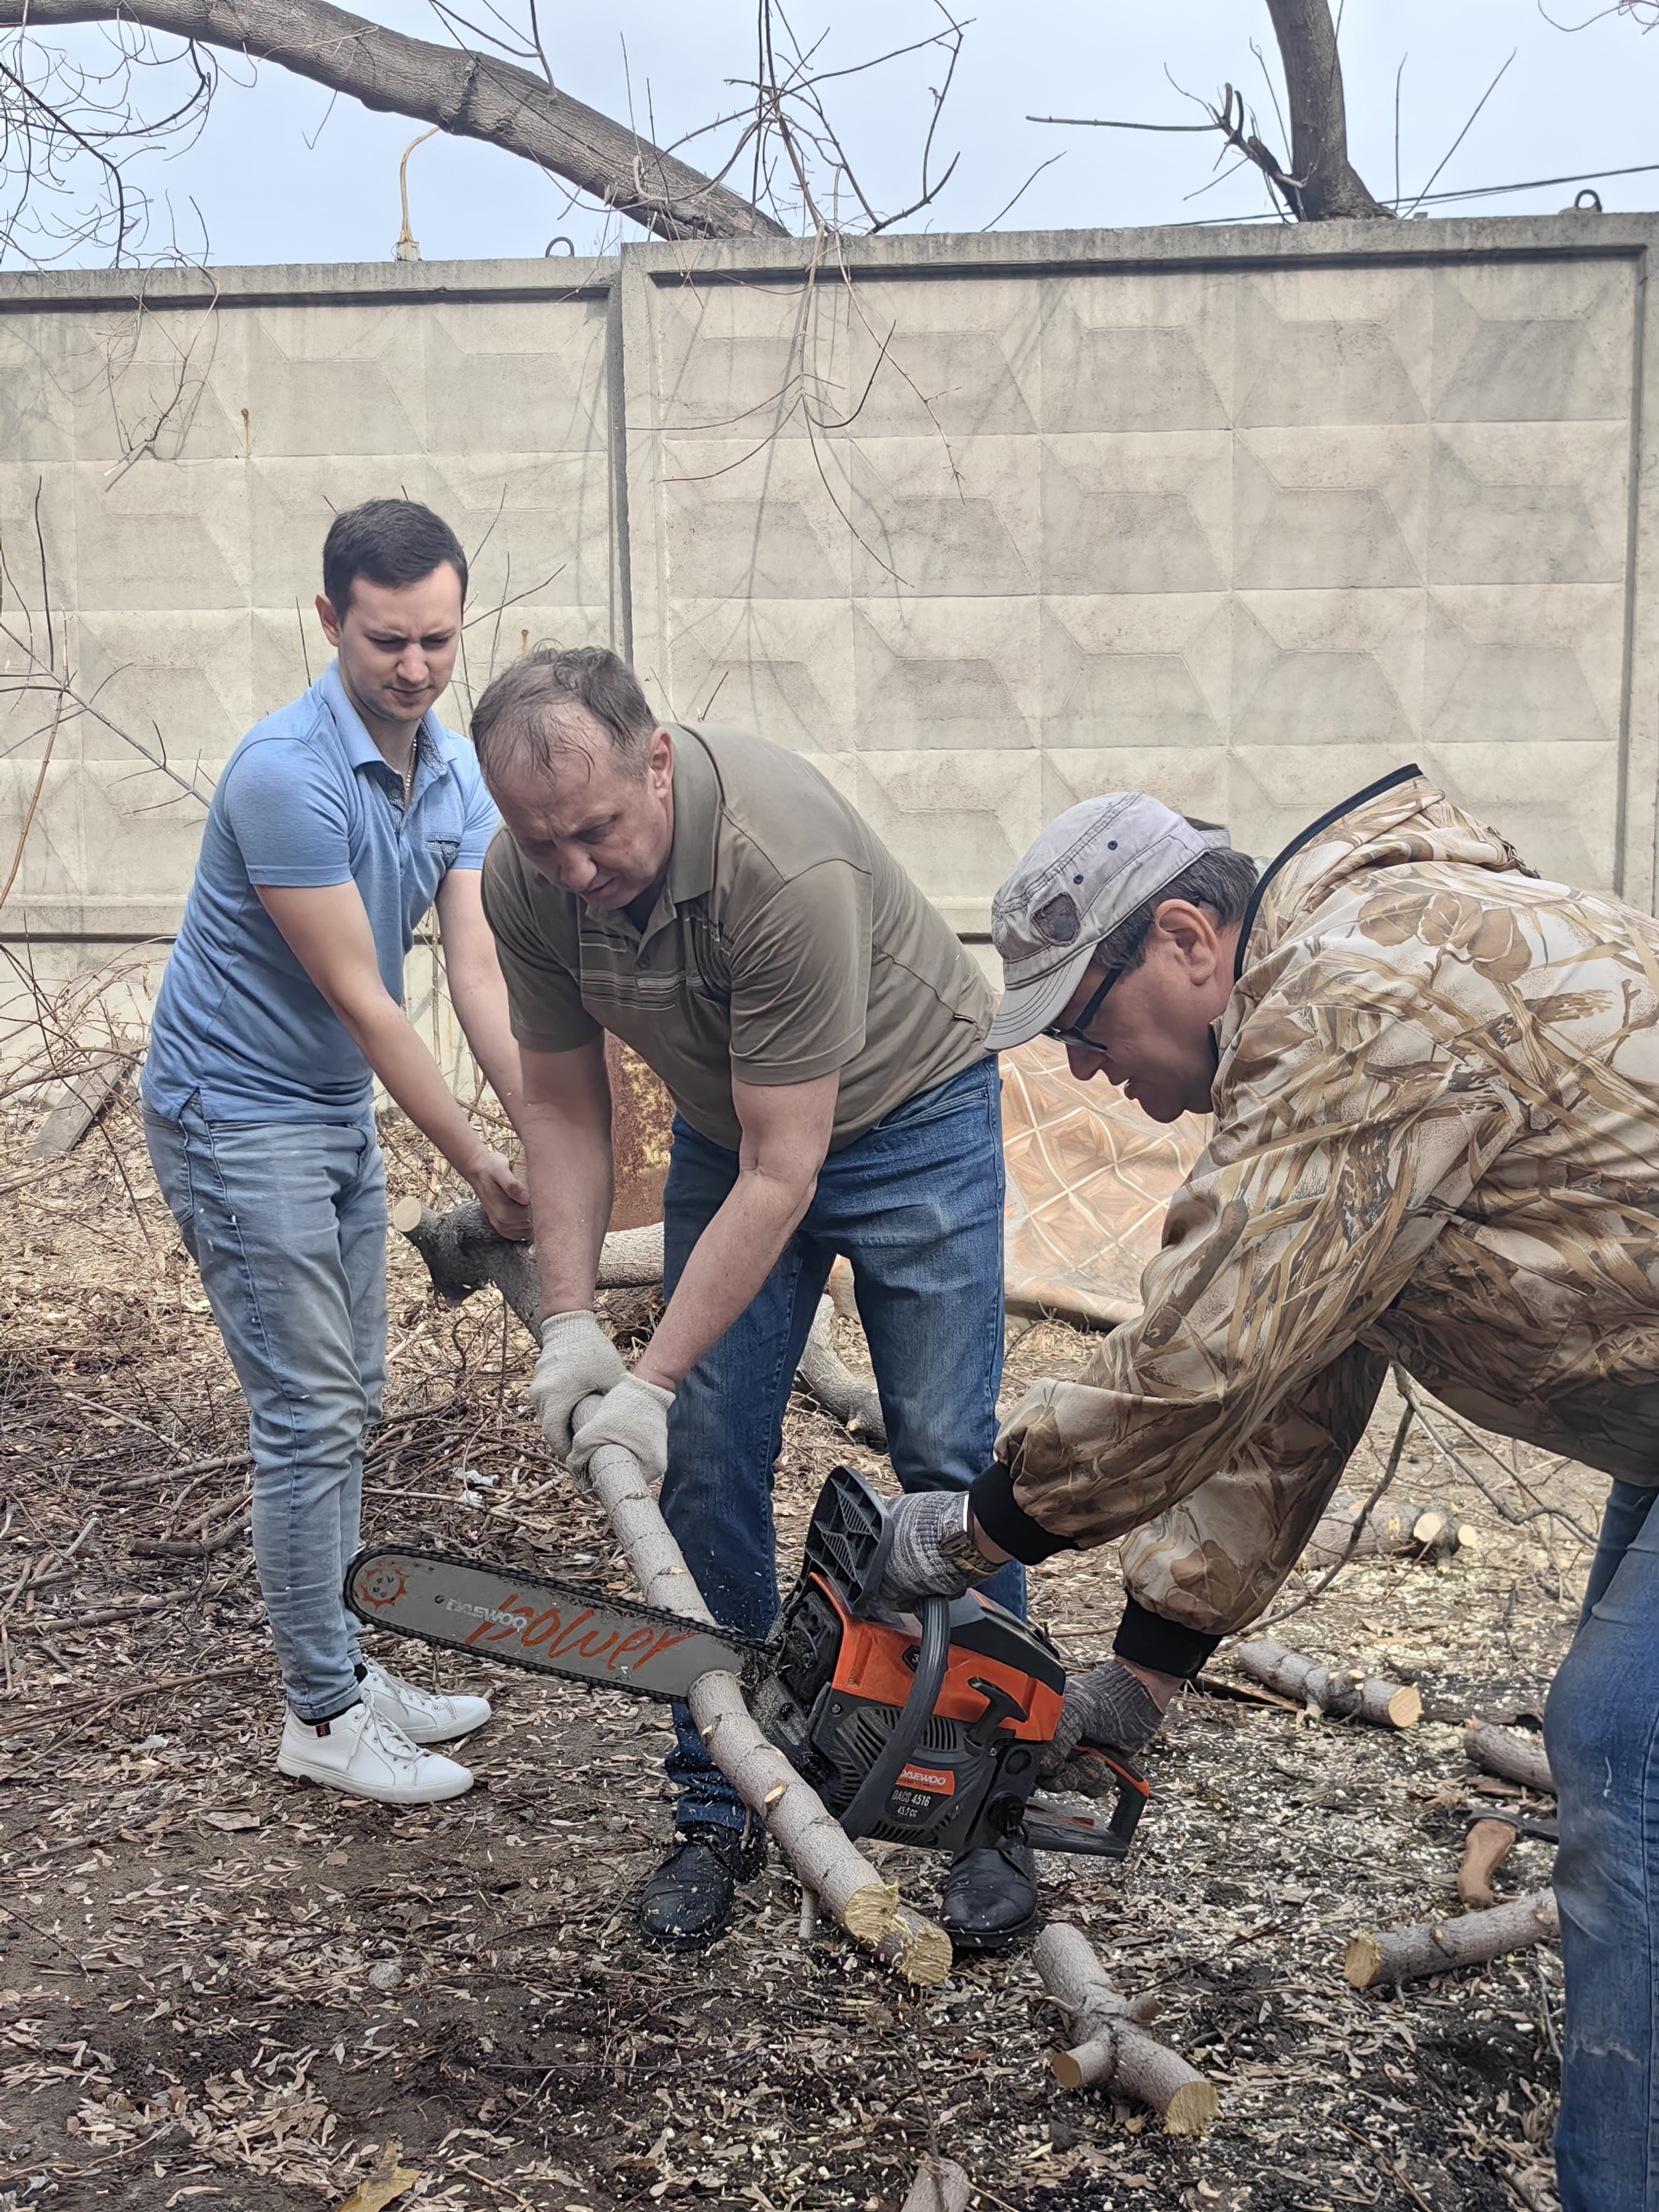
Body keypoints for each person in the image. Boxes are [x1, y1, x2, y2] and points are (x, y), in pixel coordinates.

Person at [876, 767, 1659, 2212]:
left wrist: (978, 1527)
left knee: (1625, 1748)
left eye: (1091, 1029)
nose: (1092, 1075)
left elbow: (1195, 1361)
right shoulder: (1356, 985)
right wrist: (1146, 1672)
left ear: (1188, 937)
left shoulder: (1354, 998)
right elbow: (1297, 1368)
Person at [467, 643, 1033, 1953]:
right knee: (711, 1461)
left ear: (655, 760)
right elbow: (559, 1101)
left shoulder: (780, 858)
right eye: (540, 840)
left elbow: (795, 1171)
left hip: (915, 1116)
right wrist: (566, 1322)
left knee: (948, 1462)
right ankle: (722, 1796)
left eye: (598, 829)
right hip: (741, 1127)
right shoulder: (530, 879)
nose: (575, 870)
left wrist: (647, 1378)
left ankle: (993, 1807)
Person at [142, 498, 530, 1809]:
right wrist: (479, 1160)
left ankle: (346, 1669)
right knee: (307, 1414)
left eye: (437, 638)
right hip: (234, 1111)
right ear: (330, 622)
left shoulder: (456, 767)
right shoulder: (283, 774)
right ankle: (319, 1710)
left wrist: (538, 1132)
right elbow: (371, 1001)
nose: (415, 667)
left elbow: (471, 961)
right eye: (387, 641)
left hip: (325, 1113)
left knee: (349, 1394)